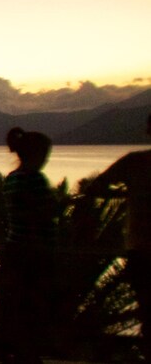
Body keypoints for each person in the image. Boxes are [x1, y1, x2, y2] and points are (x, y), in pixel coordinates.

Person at [86, 113, 151, 358]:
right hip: (141, 251)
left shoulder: (134, 163)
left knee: (147, 314)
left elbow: (95, 188)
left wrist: (126, 197)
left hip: (141, 250)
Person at [0, 127, 57, 363]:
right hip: (35, 252)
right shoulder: (35, 179)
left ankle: (16, 349)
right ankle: (29, 353)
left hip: (15, 247)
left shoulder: (11, 178)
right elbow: (44, 212)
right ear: (38, 155)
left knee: (18, 304)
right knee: (34, 306)